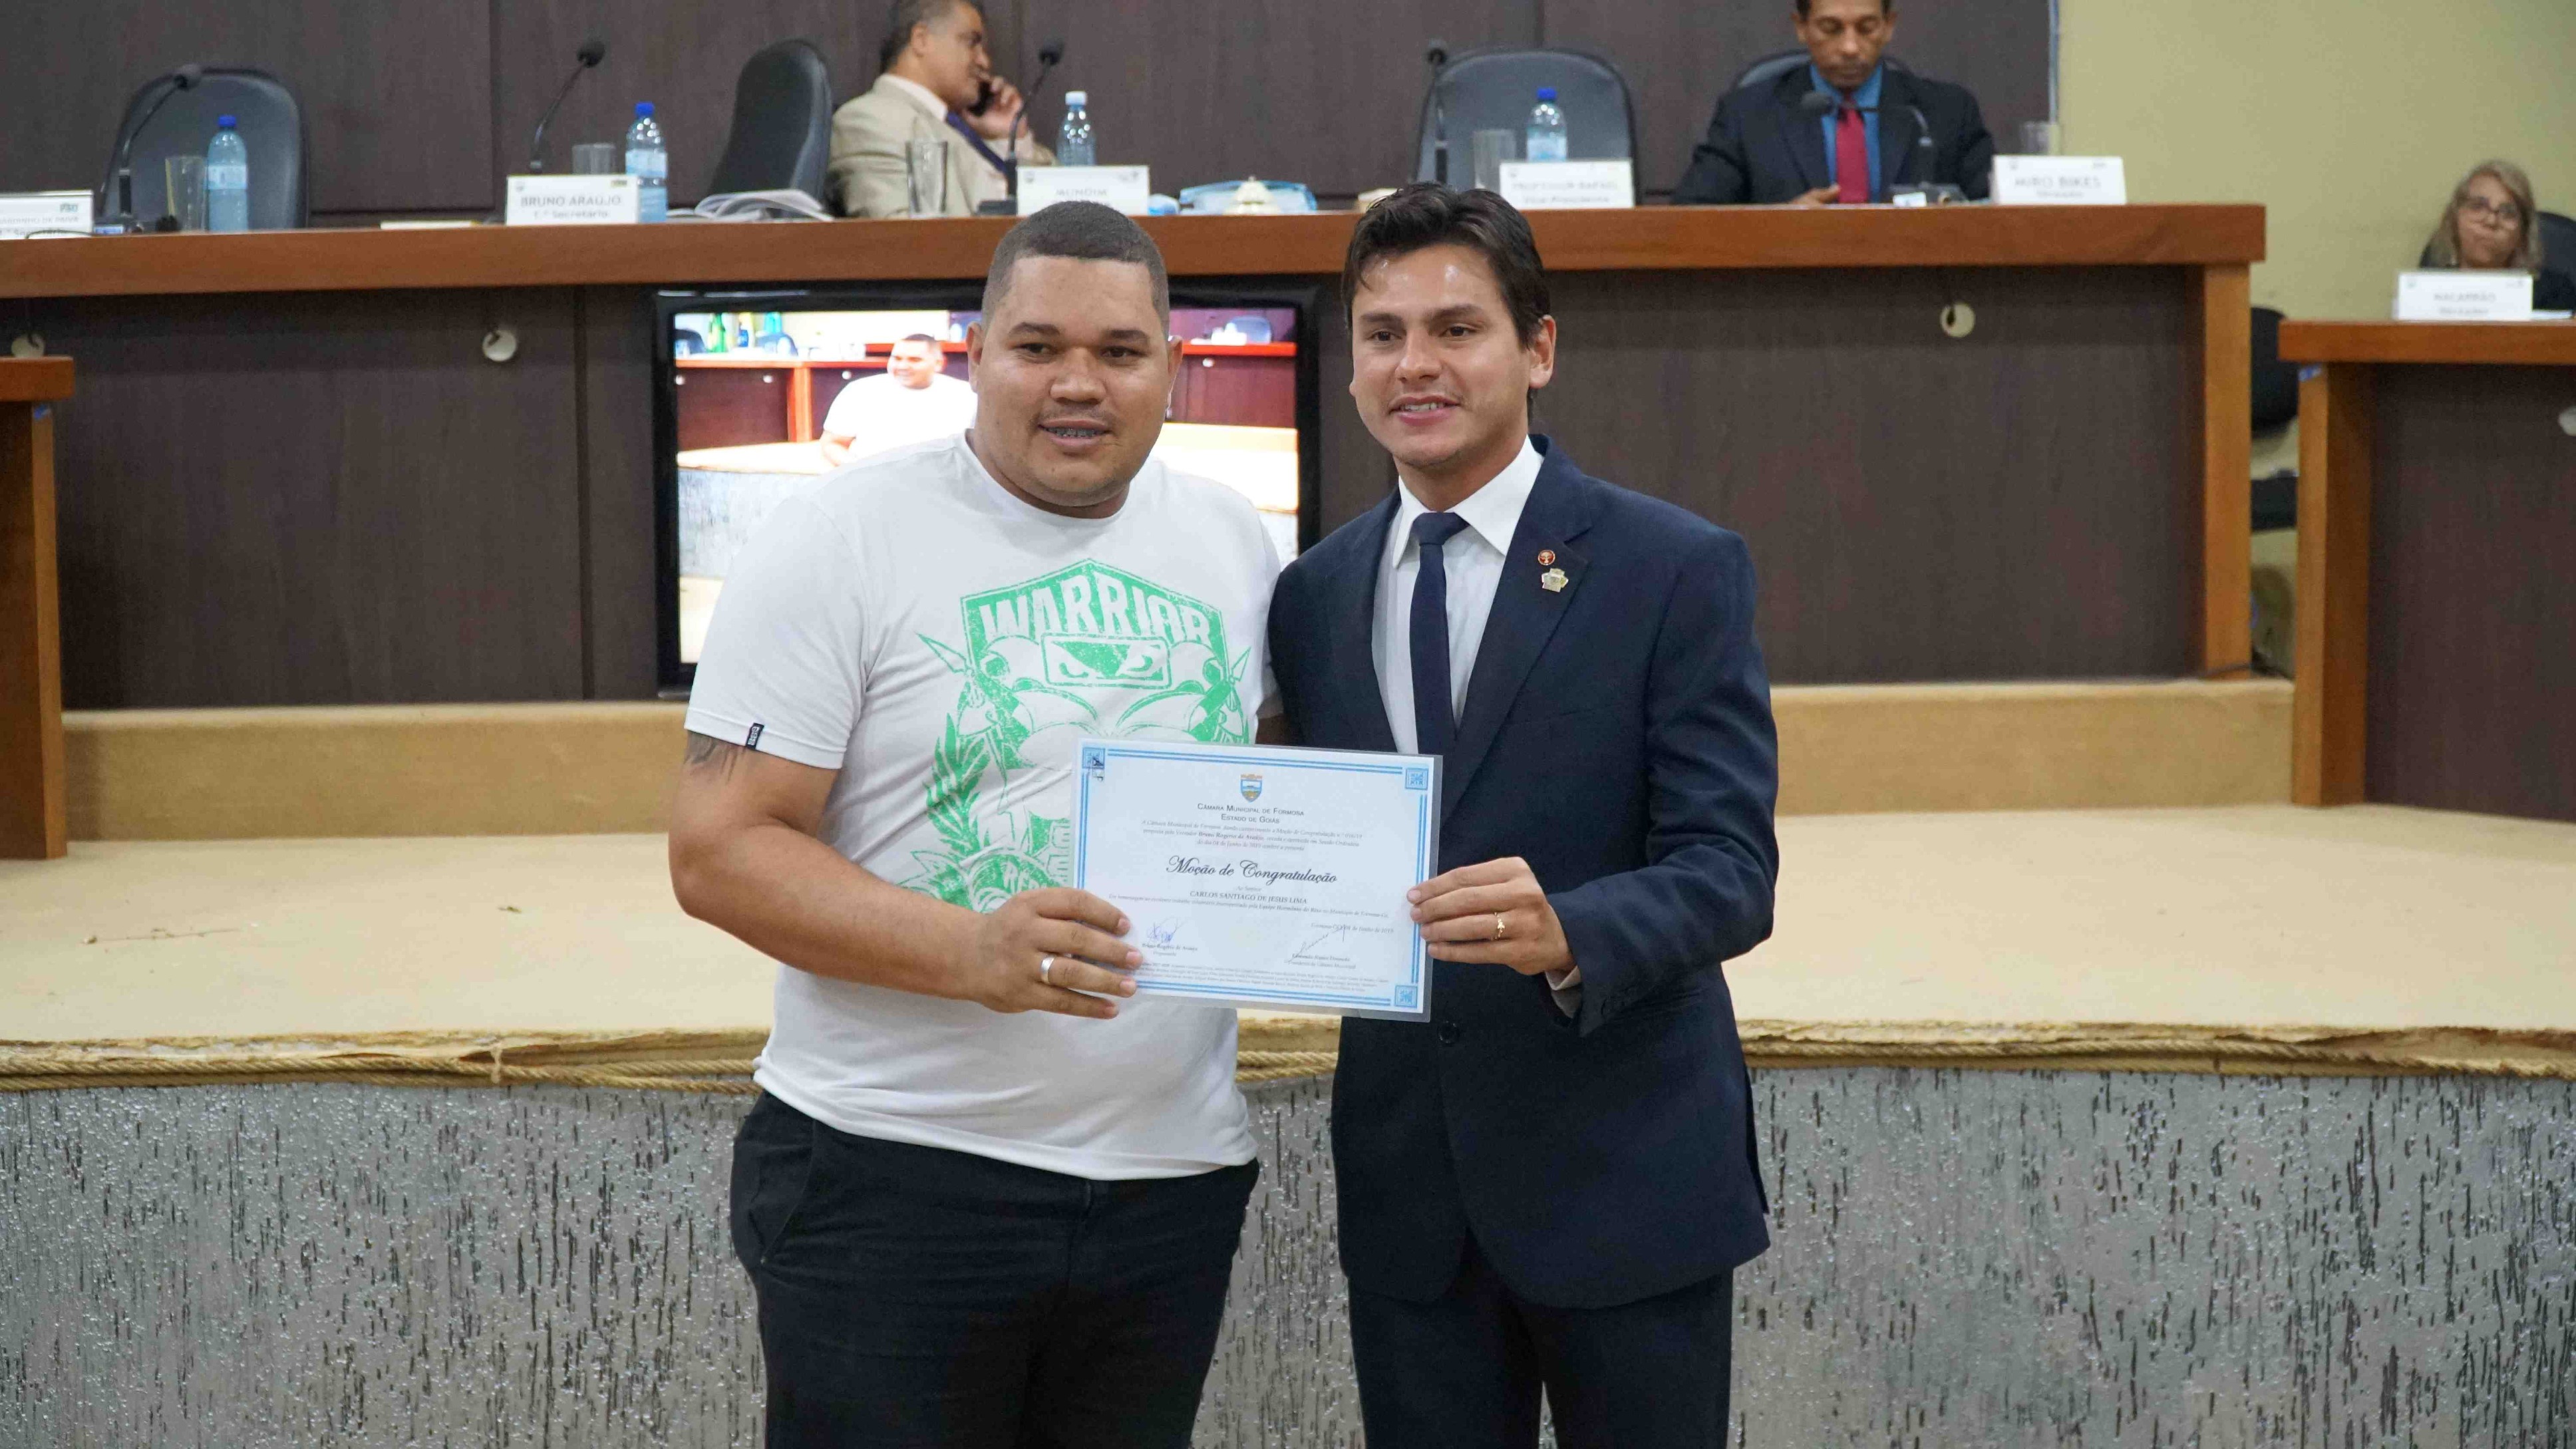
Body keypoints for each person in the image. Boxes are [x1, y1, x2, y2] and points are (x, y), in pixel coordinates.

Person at [670, 202, 1282, 1448]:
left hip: (1169, 1181)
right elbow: (719, 849)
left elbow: (1268, 805)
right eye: (1038, 346)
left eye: (1119, 351)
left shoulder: (1236, 542)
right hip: (894, 1173)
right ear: (976, 354)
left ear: (1173, 364)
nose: (1078, 383)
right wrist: (971, 951)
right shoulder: (839, 534)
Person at [1266, 184, 1779, 1447]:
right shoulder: (1312, 594)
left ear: (1538, 348)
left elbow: (1730, 867)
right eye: (1382, 334)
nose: (1415, 364)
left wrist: (1573, 931)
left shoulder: (1673, 568)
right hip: (1411, 1198)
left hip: (1626, 1175)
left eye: (1457, 328)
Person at [1673, 0, 1995, 206]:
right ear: (1801, 27)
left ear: (1889, 26)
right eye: (1831, 29)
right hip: (1789, 285)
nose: (1850, 47)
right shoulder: (1748, 114)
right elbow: (1692, 216)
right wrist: (1778, 225)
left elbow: (1996, 209)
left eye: (1867, 28)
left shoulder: (1946, 112)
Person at [830, 0, 1051, 218]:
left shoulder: (967, 129)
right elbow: (903, 234)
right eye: (972, 43)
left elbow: (1059, 210)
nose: (984, 62)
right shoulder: (868, 121)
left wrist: (1013, 139)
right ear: (921, 39)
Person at [2422, 160, 2576, 311]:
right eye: (2478, 207)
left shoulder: (2556, 294)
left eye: (2508, 213)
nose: (2491, 221)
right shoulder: (2427, 289)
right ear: (2454, 219)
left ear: (2523, 232)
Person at [818, 333, 978, 466]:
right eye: (897, 359)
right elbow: (832, 444)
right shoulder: (860, 390)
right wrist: (861, 470)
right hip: (873, 481)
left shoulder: (967, 395)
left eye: (915, 360)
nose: (903, 366)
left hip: (944, 481)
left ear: (938, 363)